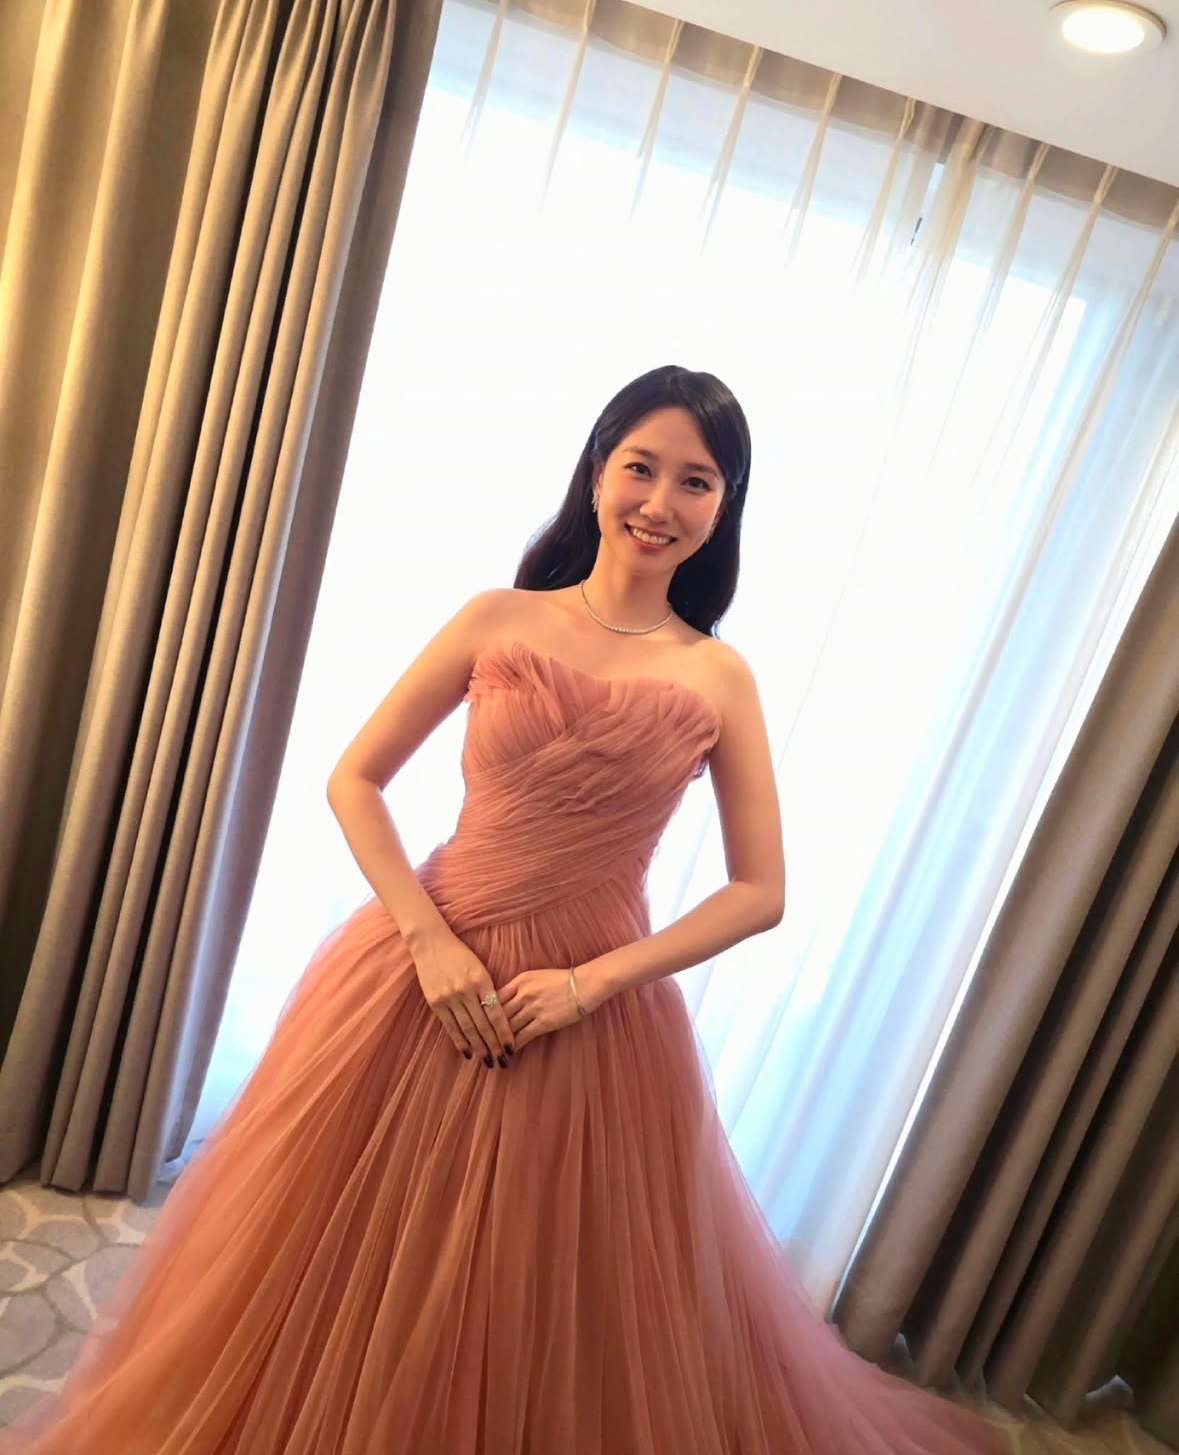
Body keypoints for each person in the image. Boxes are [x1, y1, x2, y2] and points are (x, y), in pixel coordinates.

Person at [0, 365, 1011, 1454]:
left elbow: (760, 891)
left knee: (538, 1275)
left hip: (586, 1004)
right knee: (338, 1242)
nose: (659, 502)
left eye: (696, 481)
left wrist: (590, 984)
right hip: (420, 965)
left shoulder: (720, 678)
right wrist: (427, 940)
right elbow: (355, 780)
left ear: (726, 505)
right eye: (640, 467)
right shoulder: (498, 618)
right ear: (597, 471)